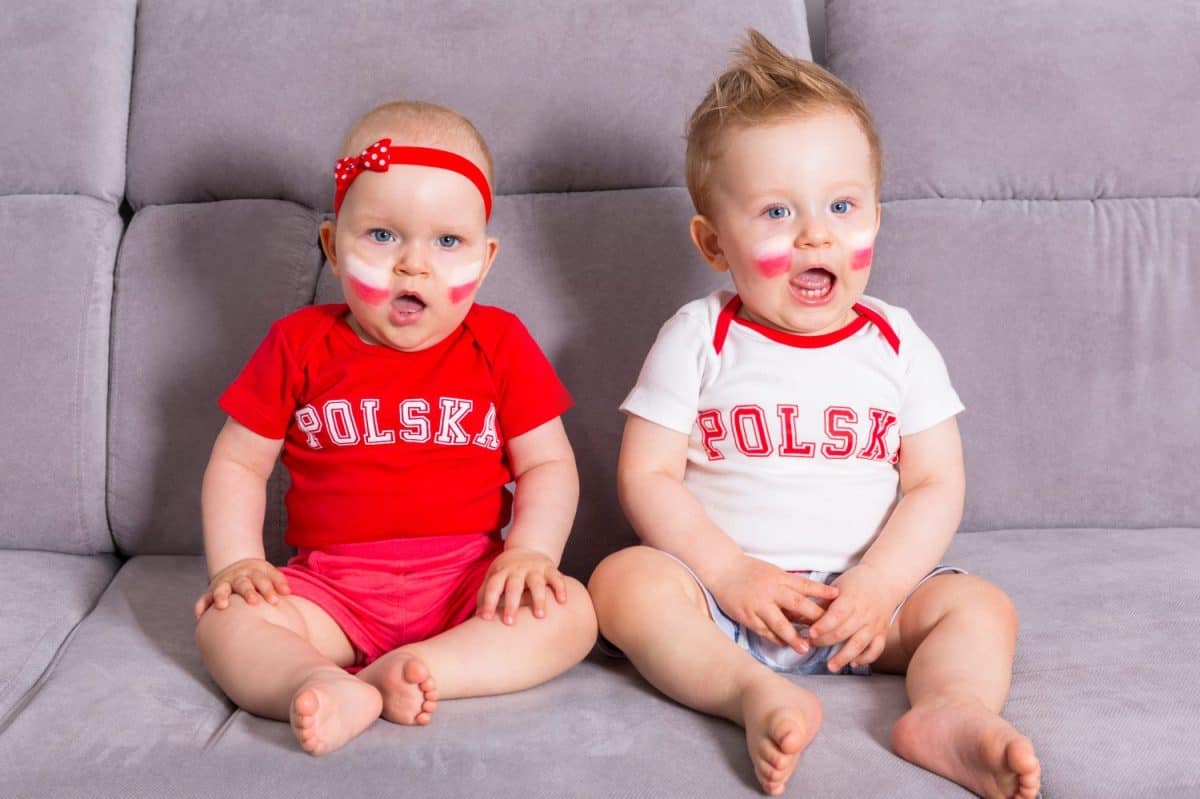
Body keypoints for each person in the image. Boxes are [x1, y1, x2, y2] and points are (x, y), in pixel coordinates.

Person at [587, 31, 1040, 799]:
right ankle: (746, 692)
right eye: (775, 211)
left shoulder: (898, 343)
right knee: (620, 582)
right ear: (713, 242)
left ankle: (947, 711)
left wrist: (880, 581)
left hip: (866, 604)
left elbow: (935, 482)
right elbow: (648, 473)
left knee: (979, 606)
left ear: (874, 220)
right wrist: (727, 572)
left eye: (840, 205)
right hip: (724, 606)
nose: (816, 233)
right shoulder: (700, 338)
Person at [194, 100, 597, 756]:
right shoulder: (299, 343)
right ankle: (316, 678)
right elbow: (239, 462)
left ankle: (432, 669)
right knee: (225, 621)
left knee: (571, 612)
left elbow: (547, 463)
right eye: (382, 235)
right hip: (329, 590)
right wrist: (237, 562)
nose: (415, 264)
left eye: (447, 241)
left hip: (469, 581)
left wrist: (532, 552)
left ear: (486, 259)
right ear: (331, 245)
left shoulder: (500, 340)